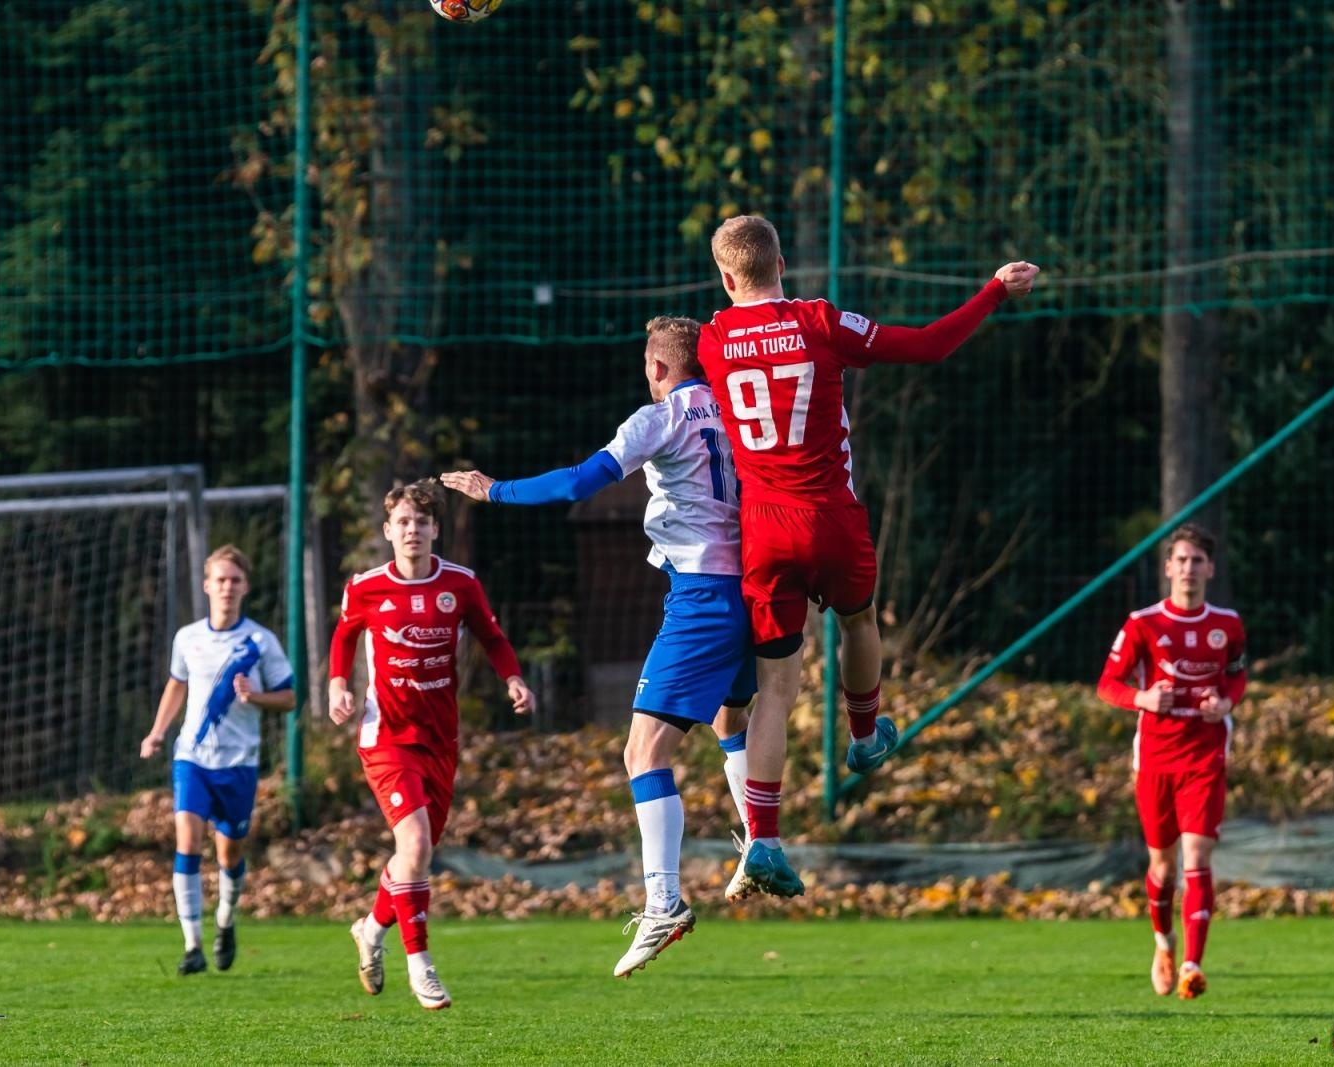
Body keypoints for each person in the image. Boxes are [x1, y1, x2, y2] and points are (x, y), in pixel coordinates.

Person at [695, 214, 1039, 895]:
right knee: (857, 620)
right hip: (829, 517)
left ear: (727, 277)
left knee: (774, 692)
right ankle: (863, 733)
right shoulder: (820, 321)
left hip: (764, 531)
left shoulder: (712, 340)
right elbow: (928, 344)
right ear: (783, 263)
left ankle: (763, 839)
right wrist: (993, 291)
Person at [440, 315, 757, 978]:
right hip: (752, 589)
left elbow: (582, 480)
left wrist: (493, 488)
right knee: (732, 720)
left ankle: (664, 900)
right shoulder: (737, 412)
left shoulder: (660, 416)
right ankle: (762, 838)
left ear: (658, 368)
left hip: (702, 595)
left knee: (641, 750)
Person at [329, 479, 536, 1011]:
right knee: (416, 845)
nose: (412, 530)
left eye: (421, 522)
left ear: (435, 529)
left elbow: (492, 637)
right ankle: (420, 965)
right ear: (387, 531)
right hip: (386, 737)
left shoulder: (461, 585)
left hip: (440, 739)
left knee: (413, 854)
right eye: (402, 522)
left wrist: (511, 678)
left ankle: (371, 929)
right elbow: (345, 634)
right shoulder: (367, 586)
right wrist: (336, 685)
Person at [1096, 522, 1246, 1000]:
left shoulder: (1228, 625)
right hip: (1156, 758)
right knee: (1161, 867)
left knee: (1197, 856)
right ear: (1167, 569)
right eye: (1180, 560)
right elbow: (1107, 684)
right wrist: (1142, 699)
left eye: (1197, 561)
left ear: (1210, 569)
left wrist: (1226, 703)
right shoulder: (1144, 624)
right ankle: (1163, 944)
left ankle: (1191, 966)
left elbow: (1237, 678)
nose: (1189, 568)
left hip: (1204, 755)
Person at [140, 544, 296, 976]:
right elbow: (177, 686)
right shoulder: (188, 637)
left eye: (235, 580)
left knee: (229, 854)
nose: (227, 587)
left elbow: (289, 697)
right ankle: (192, 946)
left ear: (244, 587)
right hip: (192, 757)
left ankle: (226, 919)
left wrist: (256, 696)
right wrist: (156, 733)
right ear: (207, 585)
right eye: (220, 580)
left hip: (239, 764)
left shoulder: (261, 642)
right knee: (187, 842)